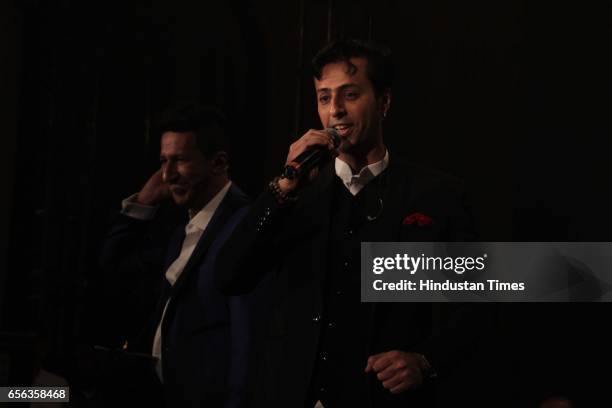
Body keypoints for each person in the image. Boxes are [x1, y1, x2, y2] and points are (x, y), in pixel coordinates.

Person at [216, 39, 487, 407]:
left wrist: (425, 360)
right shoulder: (294, 193)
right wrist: (281, 189)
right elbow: (229, 276)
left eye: (350, 95)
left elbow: (477, 306)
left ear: (385, 102)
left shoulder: (438, 195)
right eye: (324, 98)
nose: (336, 111)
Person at [98, 104, 258, 407]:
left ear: (219, 162)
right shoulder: (177, 229)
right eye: (163, 161)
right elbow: (112, 265)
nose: (167, 174)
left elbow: (246, 339)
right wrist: (143, 203)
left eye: (180, 161)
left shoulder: (244, 223)